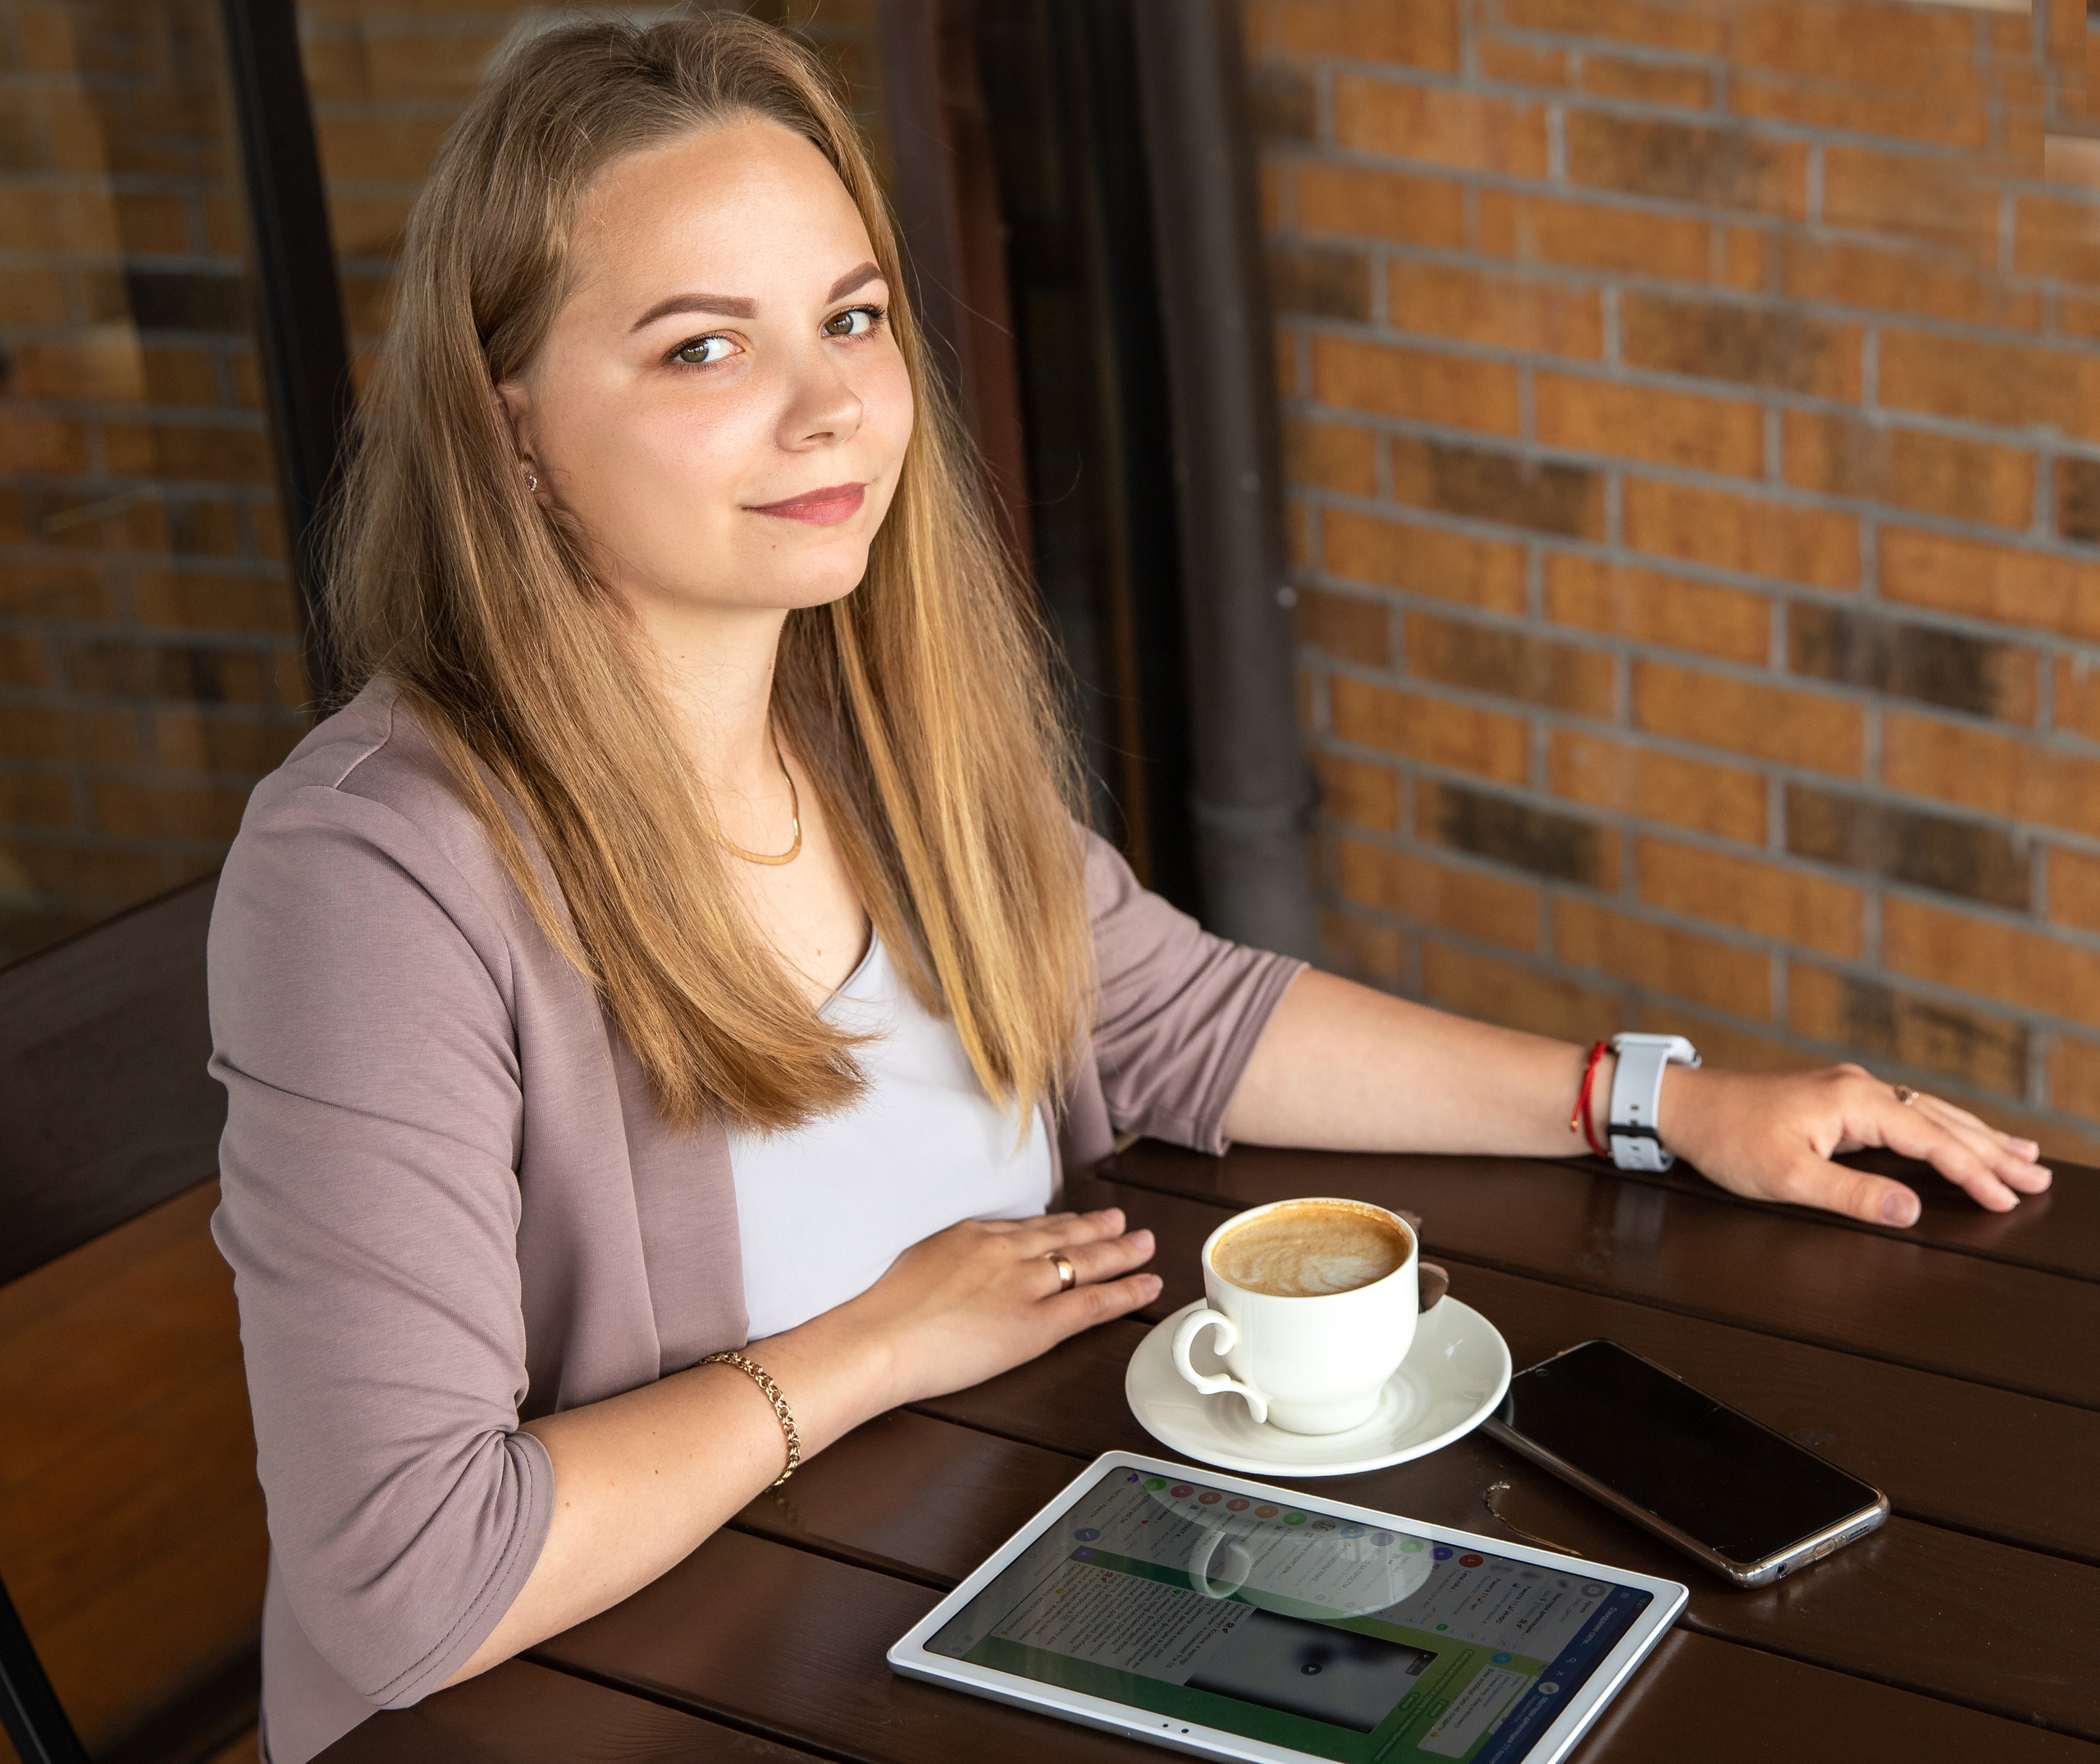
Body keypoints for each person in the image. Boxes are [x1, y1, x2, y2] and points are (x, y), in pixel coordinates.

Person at [205, 14, 2050, 1762]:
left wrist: (1657, 1098)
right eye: (702, 346)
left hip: (1014, 1589)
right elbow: (410, 1579)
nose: (826, 407)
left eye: (849, 318)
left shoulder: (867, 718)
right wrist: (865, 1351)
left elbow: (1179, 1017)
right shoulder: (375, 875)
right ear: (507, 416)